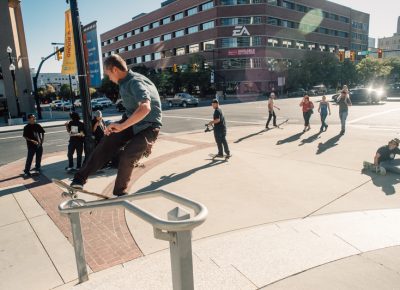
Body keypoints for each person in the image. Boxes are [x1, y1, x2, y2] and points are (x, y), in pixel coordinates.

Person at [70, 54, 162, 196]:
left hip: (149, 126)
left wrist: (122, 126)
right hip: (133, 120)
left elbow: (145, 107)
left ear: (114, 70)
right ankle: (78, 181)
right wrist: (117, 125)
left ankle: (120, 192)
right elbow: (133, 108)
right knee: (107, 142)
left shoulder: (135, 82)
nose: (109, 78)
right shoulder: (125, 81)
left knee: (127, 156)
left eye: (108, 74)